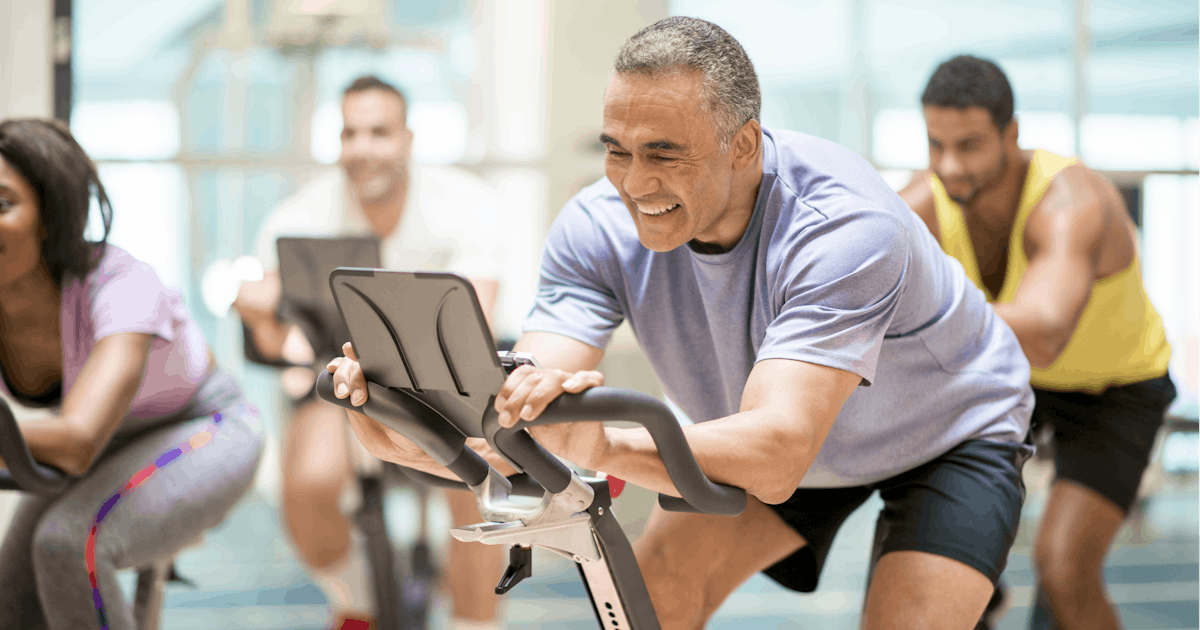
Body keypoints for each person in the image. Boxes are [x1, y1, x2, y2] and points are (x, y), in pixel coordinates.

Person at [326, 18, 1038, 630]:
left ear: (745, 145)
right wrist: (434, 427)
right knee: (653, 597)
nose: (635, 183)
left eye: (664, 153)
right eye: (617, 149)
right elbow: (535, 395)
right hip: (768, 433)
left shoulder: (844, 227)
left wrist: (599, 443)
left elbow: (780, 451)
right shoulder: (597, 228)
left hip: (946, 434)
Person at [898, 55, 1175, 630]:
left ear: (1012, 134)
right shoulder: (923, 202)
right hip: (1005, 381)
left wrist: (919, 314)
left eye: (969, 145)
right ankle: (982, 595)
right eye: (935, 144)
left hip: (1114, 389)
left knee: (1063, 566)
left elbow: (1044, 334)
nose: (949, 166)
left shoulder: (1071, 203)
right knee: (938, 556)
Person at [233, 76, 507, 630]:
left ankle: (475, 622)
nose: (362, 148)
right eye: (349, 133)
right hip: (340, 380)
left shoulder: (467, 206)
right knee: (308, 486)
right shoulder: (296, 219)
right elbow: (273, 346)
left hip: (444, 379)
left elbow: (477, 313)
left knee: (476, 486)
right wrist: (259, 314)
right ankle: (356, 600)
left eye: (379, 132)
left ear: (407, 139)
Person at [0, 118, 264, 630]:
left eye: (2, 204)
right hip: (112, 443)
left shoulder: (123, 284)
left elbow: (77, 440)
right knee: (10, 596)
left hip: (208, 425)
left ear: (51, 217)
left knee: (70, 543)